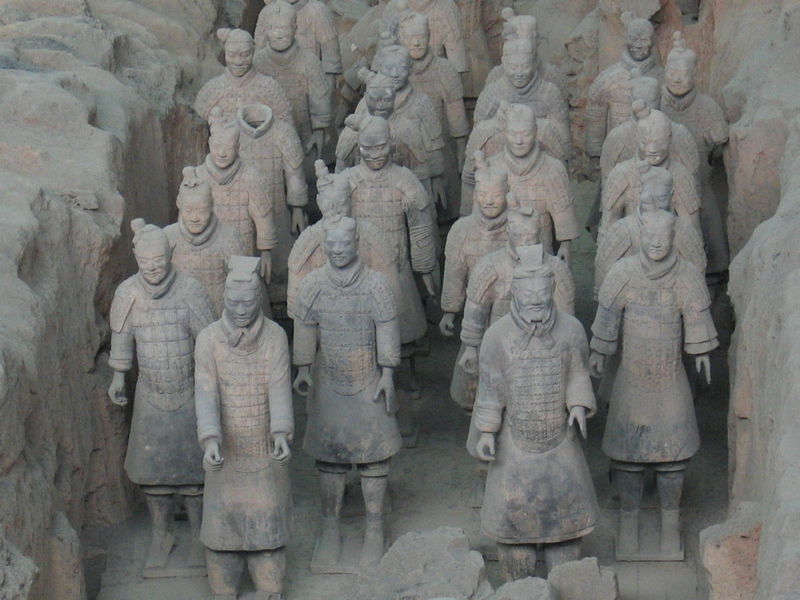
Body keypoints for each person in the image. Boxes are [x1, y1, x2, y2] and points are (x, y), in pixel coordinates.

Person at [590, 210, 718, 556]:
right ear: (641, 235)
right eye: (651, 236)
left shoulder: (686, 275)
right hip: (632, 378)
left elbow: (696, 316)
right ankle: (628, 524)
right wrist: (599, 350)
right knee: (628, 459)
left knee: (673, 460)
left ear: (674, 236)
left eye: (664, 236)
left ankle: (670, 526)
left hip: (670, 379)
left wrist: (701, 351)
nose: (657, 243)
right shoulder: (623, 273)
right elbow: (607, 315)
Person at [473, 261, 598, 579]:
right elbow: (490, 388)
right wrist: (486, 431)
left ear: (552, 291)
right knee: (514, 537)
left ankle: (564, 584)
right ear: (515, 293)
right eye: (528, 296)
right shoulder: (496, 336)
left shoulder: (571, 329)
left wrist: (578, 404)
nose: (536, 302)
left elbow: (578, 373)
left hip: (559, 443)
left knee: (566, 533)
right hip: (515, 446)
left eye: (542, 294)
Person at [293, 217, 402, 567]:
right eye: (332, 244)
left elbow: (387, 328)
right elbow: (305, 327)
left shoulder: (376, 285)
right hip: (329, 378)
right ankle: (330, 527)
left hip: (368, 378)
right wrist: (303, 368)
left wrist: (388, 373)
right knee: (329, 459)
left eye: (344, 244)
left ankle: (374, 527)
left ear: (356, 244)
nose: (338, 251)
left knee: (375, 457)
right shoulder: (313, 285)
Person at [108, 219, 214, 571]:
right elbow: (122, 340)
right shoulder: (128, 293)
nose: (152, 268)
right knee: (153, 475)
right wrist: (118, 377)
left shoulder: (191, 290)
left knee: (193, 474)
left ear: (170, 254)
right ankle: (161, 534)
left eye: (158, 260)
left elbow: (208, 341)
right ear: (136, 258)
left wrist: (216, 384)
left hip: (188, 391)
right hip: (150, 394)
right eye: (145, 262)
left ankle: (198, 533)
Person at [195, 255, 293, 600]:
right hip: (225, 456)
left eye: (248, 302)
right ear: (223, 298)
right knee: (222, 565)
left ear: (259, 299)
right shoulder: (208, 339)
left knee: (271, 574)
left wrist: (280, 433)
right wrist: (210, 439)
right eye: (234, 302)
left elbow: (279, 387)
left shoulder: (275, 337)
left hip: (262, 453)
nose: (240, 310)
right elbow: (205, 392)